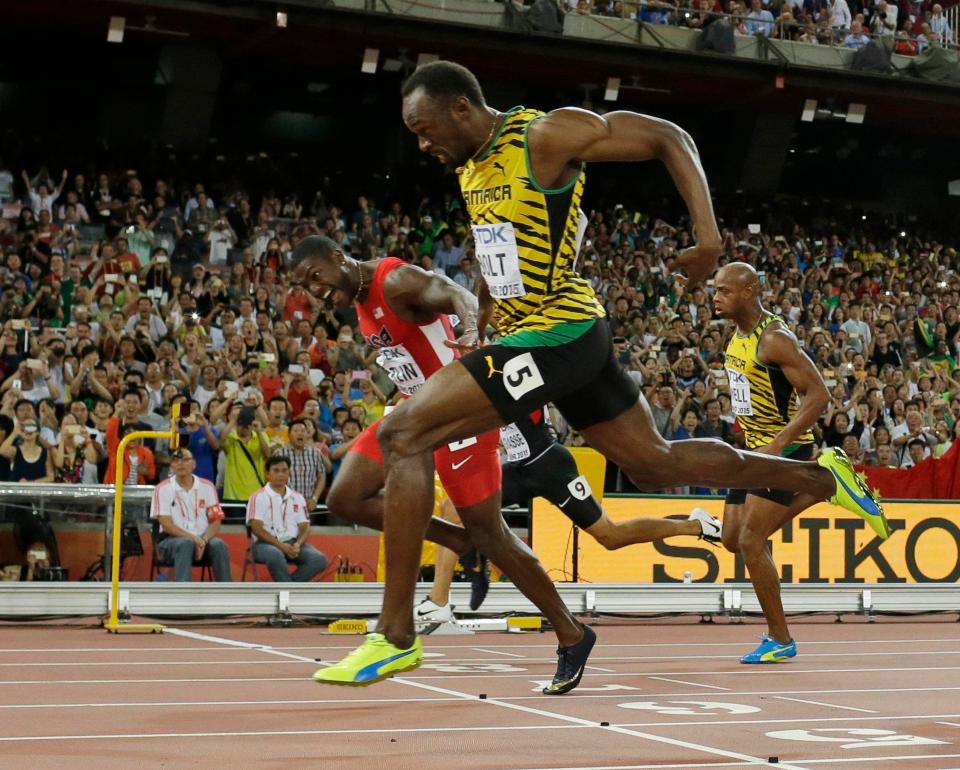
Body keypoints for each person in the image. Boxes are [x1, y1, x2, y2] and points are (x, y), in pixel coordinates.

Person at [341, 60, 884, 689]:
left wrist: (708, 238)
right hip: (555, 338)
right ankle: (818, 475)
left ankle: (398, 634)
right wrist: (488, 304)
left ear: (462, 108)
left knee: (405, 433)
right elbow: (504, 247)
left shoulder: (543, 137)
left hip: (560, 334)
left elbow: (667, 138)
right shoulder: (470, 165)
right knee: (655, 463)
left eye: (423, 127)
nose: (421, 142)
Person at [293, 236, 593, 694]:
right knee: (346, 497)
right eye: (304, 286)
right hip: (416, 412)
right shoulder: (356, 299)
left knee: (492, 534)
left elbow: (457, 294)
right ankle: (454, 540)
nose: (315, 291)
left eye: (316, 277)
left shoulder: (394, 280)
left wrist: (472, 327)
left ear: (339, 258)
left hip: (461, 415)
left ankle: (572, 632)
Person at [708, 263, 887, 663]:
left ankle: (780, 638)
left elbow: (819, 395)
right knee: (733, 539)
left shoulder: (774, 339)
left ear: (751, 290)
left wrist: (778, 443)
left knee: (754, 541)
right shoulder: (736, 335)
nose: (716, 297)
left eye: (725, 291)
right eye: (715, 290)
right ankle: (825, 485)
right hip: (752, 451)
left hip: (782, 452)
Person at [150, 448, 231, 582]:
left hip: (203, 539)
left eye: (185, 460)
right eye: (176, 460)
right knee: (185, 543)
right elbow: (167, 525)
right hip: (171, 541)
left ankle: (226, 593)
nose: (180, 464)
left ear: (194, 464)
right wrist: (194, 539)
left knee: (219, 545)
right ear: (171, 465)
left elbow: (216, 521)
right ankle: (182, 594)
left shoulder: (208, 487)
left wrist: (203, 540)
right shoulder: (162, 489)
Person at [246, 455, 327, 582]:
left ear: (289, 473)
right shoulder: (258, 497)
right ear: (267, 474)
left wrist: (298, 544)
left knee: (319, 559)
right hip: (264, 544)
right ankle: (288, 591)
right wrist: (281, 546)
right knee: (275, 554)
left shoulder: (297, 497)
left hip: (293, 542)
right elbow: (256, 528)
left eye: (284, 471)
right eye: (276, 471)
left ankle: (286, 589)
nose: (281, 474)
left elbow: (305, 526)